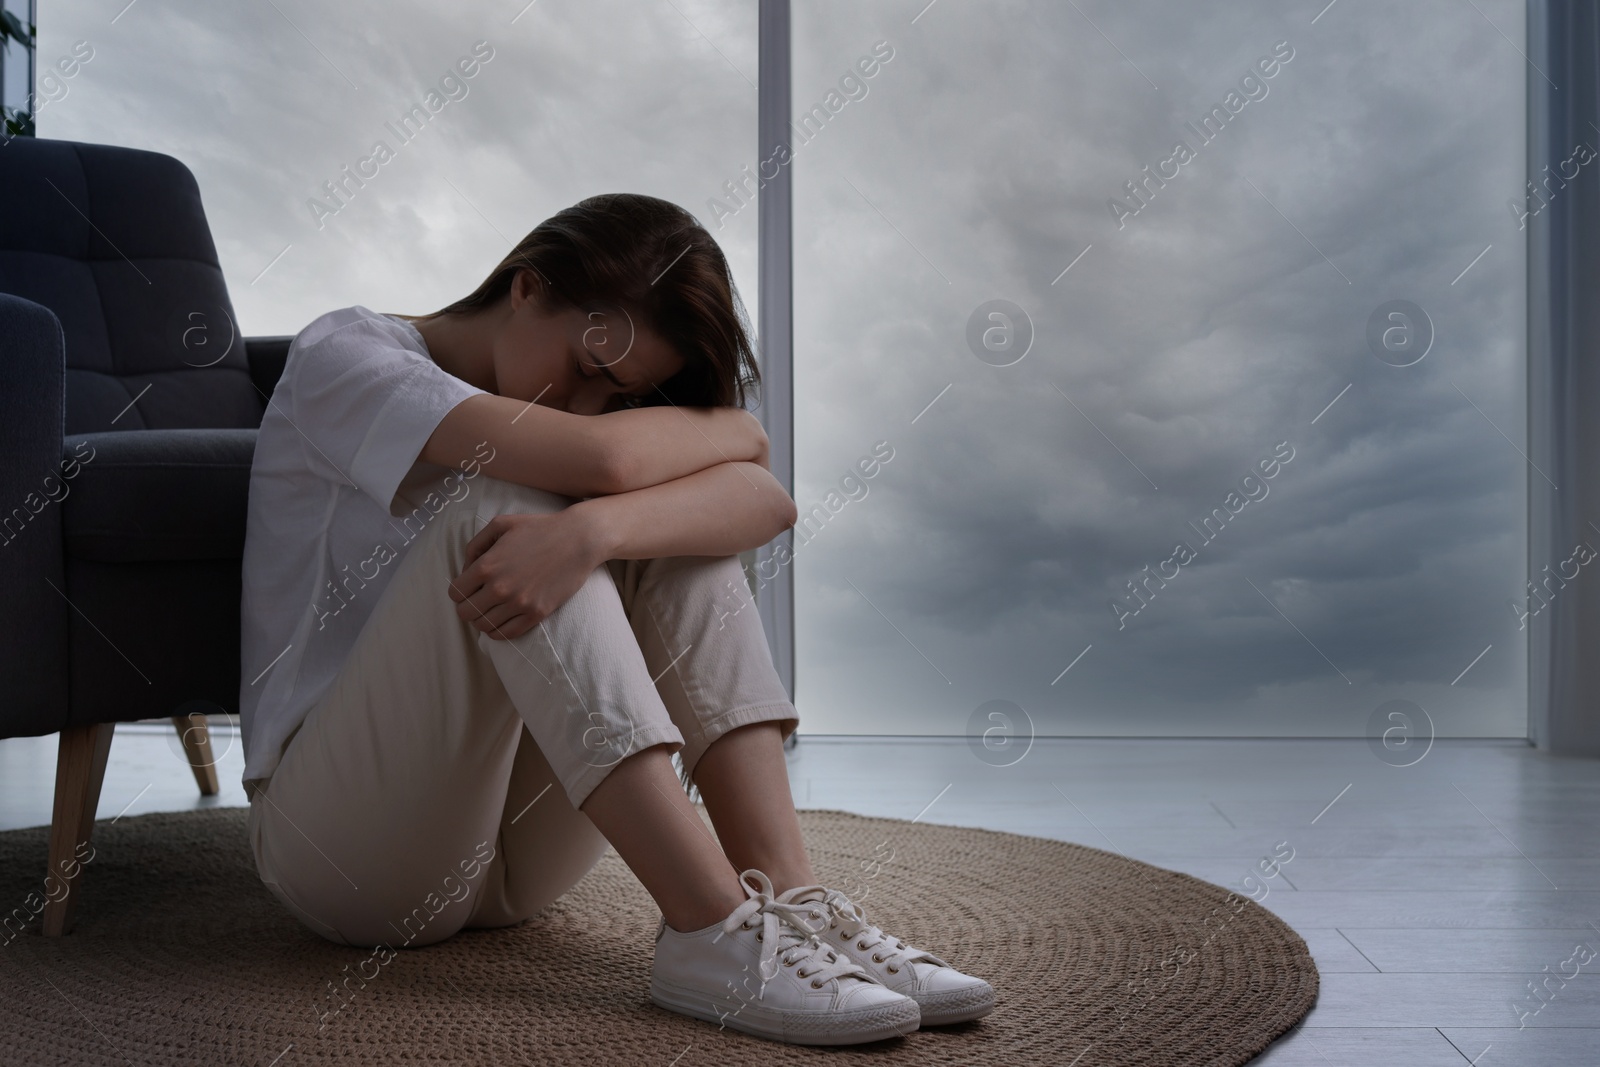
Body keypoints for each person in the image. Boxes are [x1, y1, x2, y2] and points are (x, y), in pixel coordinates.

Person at [238, 192, 994, 1046]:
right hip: (341, 847)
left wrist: (596, 531)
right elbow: (612, 457)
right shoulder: (346, 353)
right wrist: (733, 431)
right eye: (592, 369)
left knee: (664, 529)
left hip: (511, 859)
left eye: (619, 393)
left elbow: (763, 498)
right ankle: (708, 926)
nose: (589, 403)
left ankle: (788, 901)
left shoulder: (579, 424)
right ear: (529, 286)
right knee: (514, 497)